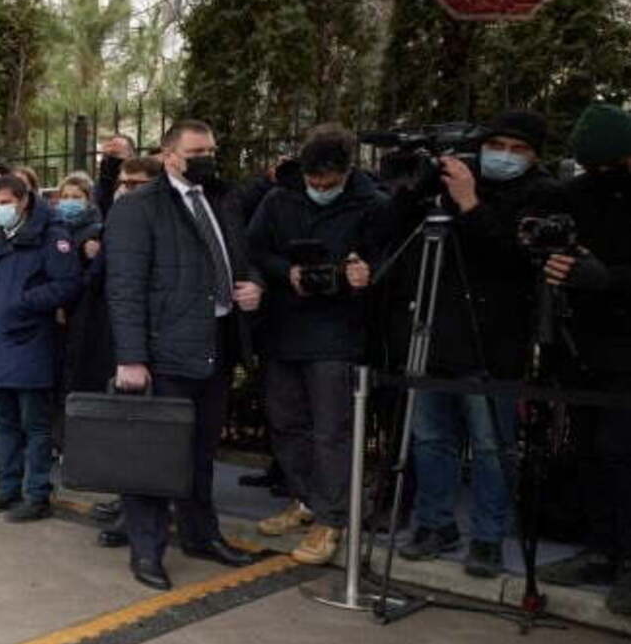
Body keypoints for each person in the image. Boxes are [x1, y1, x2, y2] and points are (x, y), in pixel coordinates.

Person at [386, 110, 562, 577]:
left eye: (517, 148)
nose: (503, 155)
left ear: (535, 155)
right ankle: (434, 524)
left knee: (491, 446)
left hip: (494, 342)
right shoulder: (451, 180)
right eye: (497, 144)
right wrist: (423, 183)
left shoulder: (542, 194)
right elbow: (393, 228)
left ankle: (487, 537)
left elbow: (515, 258)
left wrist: (470, 202)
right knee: (430, 439)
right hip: (436, 333)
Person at [107, 120, 265, 591]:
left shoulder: (220, 200)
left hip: (215, 345)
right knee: (154, 459)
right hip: (163, 353)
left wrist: (255, 285)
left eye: (212, 149)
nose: (207, 158)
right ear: (169, 155)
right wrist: (131, 358)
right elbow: (125, 289)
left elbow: (241, 258)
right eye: (197, 151)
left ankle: (201, 536)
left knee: (200, 454)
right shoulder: (139, 208)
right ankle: (147, 551)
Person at [245, 126, 388, 566]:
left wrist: (365, 274)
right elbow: (254, 249)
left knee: (332, 430)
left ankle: (332, 516)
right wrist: (285, 271)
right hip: (284, 329)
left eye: (330, 181)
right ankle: (305, 498)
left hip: (338, 333)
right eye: (314, 180)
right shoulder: (278, 199)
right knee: (286, 421)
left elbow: (388, 262)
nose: (320, 188)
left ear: (347, 171)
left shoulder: (374, 206)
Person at [536, 104, 631, 614]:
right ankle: (601, 550)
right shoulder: (572, 197)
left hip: (626, 350)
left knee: (622, 452)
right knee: (590, 450)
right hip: (583, 347)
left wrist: (609, 277)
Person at [0, 176, 82, 519]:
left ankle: (36, 495)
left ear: (24, 201)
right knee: (3, 423)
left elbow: (66, 284)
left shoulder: (52, 236)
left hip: (29, 341)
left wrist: (21, 303)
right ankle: (7, 488)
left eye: (5, 202)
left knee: (34, 425)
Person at [69, 156, 161, 545]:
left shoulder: (160, 223)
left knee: (145, 429)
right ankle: (127, 500)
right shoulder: (120, 218)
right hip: (111, 330)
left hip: (147, 338)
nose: (125, 189)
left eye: (136, 183)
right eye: (123, 182)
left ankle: (141, 512)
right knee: (124, 422)